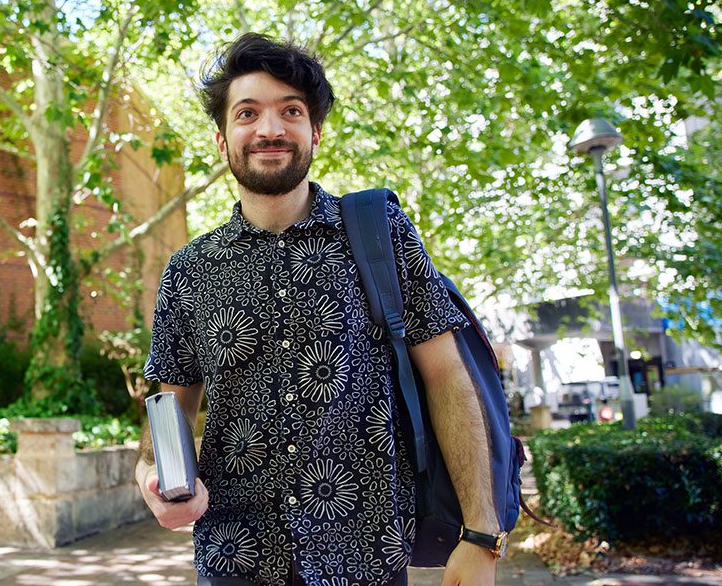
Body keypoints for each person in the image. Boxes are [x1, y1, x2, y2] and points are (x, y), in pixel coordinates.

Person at [136, 33, 503, 586]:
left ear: (315, 133)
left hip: (366, 556)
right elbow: (169, 405)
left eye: (291, 111)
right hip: (236, 558)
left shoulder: (381, 234)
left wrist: (481, 535)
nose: (269, 129)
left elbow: (448, 378)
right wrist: (151, 472)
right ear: (221, 139)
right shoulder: (190, 269)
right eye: (247, 113)